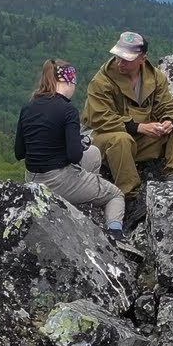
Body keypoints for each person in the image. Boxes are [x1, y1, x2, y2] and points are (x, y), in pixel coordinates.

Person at [15, 60, 128, 241]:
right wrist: (78, 143)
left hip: (33, 178)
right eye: (74, 83)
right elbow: (74, 156)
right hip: (58, 181)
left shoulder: (28, 108)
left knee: (94, 153)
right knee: (115, 195)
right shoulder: (68, 110)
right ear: (68, 82)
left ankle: (85, 199)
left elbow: (19, 152)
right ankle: (115, 233)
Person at [82, 32, 173, 217]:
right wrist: (138, 127)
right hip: (107, 140)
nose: (120, 62)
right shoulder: (102, 81)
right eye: (118, 56)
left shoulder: (155, 78)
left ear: (142, 59)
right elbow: (98, 117)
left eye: (127, 59)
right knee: (121, 140)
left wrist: (168, 120)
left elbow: (167, 105)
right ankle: (129, 197)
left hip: (139, 141)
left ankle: (172, 177)